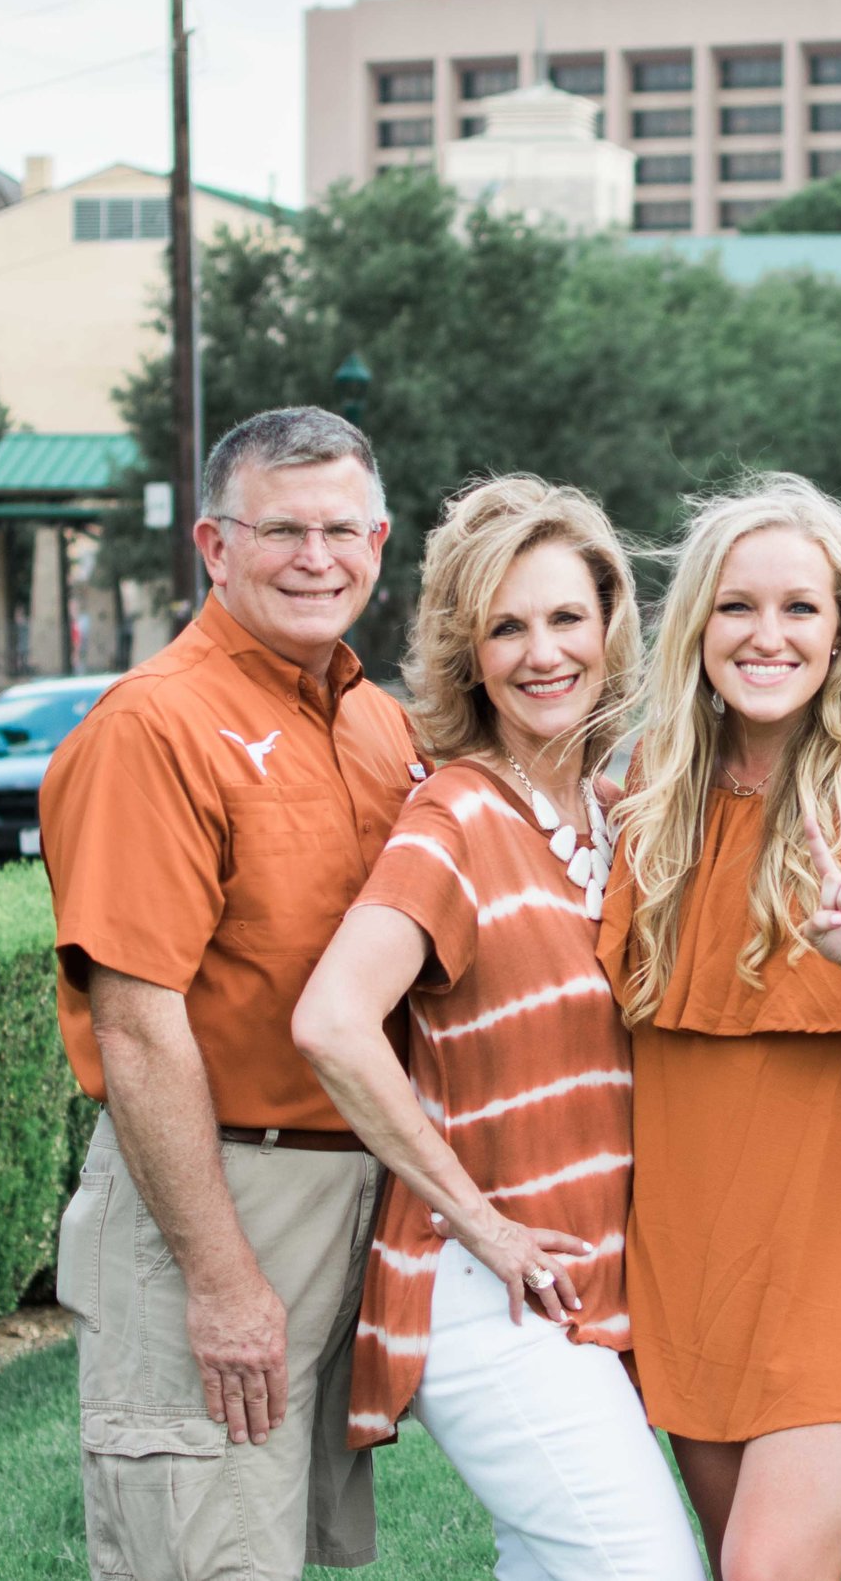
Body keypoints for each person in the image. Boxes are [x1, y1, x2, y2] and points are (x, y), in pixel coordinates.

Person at [289, 477, 704, 1580]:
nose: (541, 652)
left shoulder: (615, 815)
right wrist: (482, 1223)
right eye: (505, 627)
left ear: (611, 629)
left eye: (566, 617)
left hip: (584, 1288)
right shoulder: (458, 812)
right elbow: (332, 1020)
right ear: (469, 656)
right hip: (487, 1294)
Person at [42, 407, 419, 1579]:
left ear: (380, 537)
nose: (318, 557)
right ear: (213, 543)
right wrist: (218, 1274)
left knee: (286, 1545)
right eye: (282, 530)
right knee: (202, 1556)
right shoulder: (155, 725)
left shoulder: (375, 719)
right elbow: (137, 1022)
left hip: (349, 1191)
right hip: (216, 1193)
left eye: (342, 529)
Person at [599, 472, 841, 1581]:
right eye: (736, 606)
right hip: (689, 1257)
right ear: (696, 627)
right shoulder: (652, 795)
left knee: (768, 1567)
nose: (765, 635)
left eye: (799, 608)